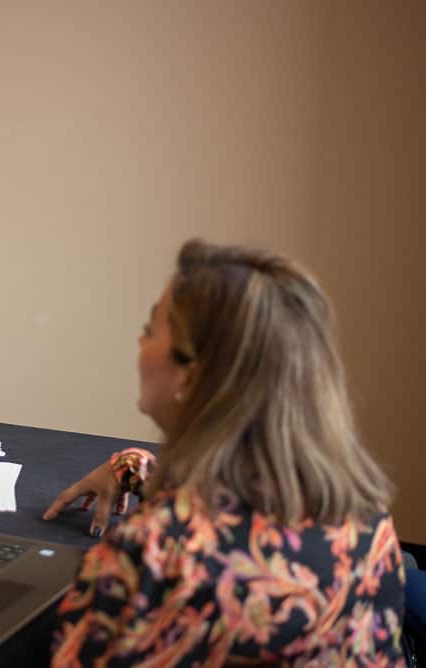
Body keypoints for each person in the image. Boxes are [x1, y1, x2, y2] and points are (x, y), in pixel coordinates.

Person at [43, 239, 405, 665]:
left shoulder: (150, 559)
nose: (139, 340)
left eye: (149, 329)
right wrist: (134, 469)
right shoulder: (366, 519)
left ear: (191, 377)